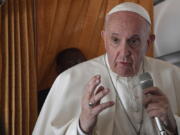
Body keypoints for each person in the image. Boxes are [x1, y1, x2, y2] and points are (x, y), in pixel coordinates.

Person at [33, 2, 180, 135]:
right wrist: (82, 127)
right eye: (115, 40)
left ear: (148, 42)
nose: (124, 52)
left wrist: (173, 125)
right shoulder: (69, 79)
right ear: (104, 39)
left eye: (133, 41)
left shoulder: (173, 74)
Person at [38, 48, 87, 113]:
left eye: (81, 63)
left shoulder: (93, 94)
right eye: (72, 63)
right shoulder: (43, 98)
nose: (78, 68)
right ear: (59, 69)